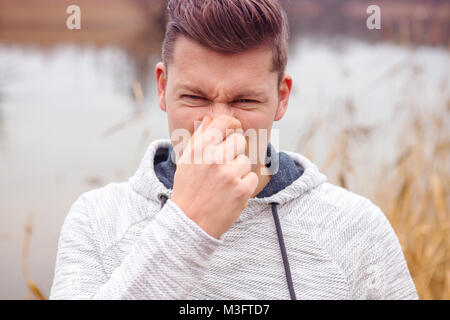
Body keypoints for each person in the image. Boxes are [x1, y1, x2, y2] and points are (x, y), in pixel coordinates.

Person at [49, 0, 418, 300]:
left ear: (281, 97)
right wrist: (187, 226)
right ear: (161, 88)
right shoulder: (97, 222)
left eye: (244, 100)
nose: (218, 125)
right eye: (194, 97)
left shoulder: (356, 229)